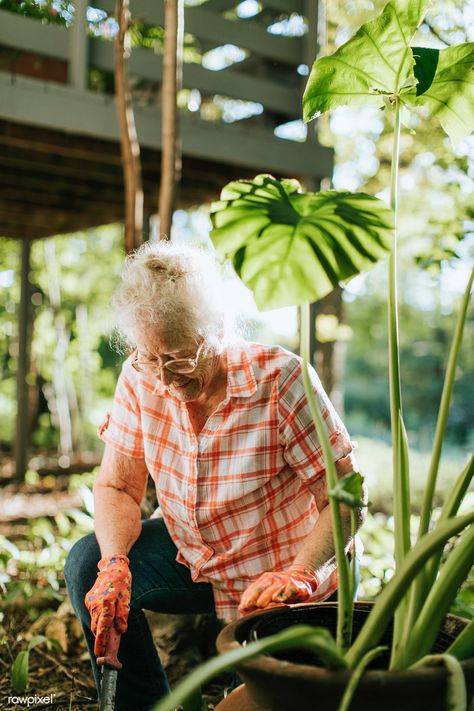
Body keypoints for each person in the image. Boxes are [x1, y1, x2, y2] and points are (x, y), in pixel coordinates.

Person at [64, 241, 364, 711]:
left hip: (286, 579)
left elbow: (344, 499)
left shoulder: (283, 381)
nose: (165, 379)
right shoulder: (140, 376)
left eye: (181, 359)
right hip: (198, 561)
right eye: (151, 358)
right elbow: (118, 486)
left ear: (219, 329)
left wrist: (303, 572)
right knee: (88, 565)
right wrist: (114, 565)